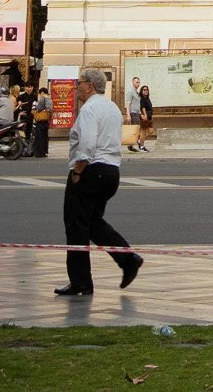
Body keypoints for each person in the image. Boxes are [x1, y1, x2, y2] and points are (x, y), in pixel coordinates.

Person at [57, 67, 142, 296]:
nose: (77, 88)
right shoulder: (112, 107)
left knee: (75, 226)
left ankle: (81, 281)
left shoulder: (89, 109)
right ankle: (128, 259)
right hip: (111, 171)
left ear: (90, 86)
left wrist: (77, 171)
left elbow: (87, 144)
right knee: (92, 222)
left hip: (91, 171)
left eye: (80, 83)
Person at [30, 84, 51, 160]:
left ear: (42, 92)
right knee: (45, 137)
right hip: (46, 120)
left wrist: (35, 110)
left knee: (39, 137)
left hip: (41, 120)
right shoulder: (49, 99)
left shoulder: (43, 98)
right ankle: (45, 151)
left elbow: (39, 108)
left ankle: (39, 152)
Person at [137, 82, 156, 150]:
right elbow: (143, 107)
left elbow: (150, 108)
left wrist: (152, 116)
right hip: (145, 116)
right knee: (143, 131)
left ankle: (139, 140)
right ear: (141, 91)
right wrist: (144, 115)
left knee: (151, 131)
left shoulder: (148, 98)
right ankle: (142, 146)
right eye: (144, 90)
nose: (146, 91)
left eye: (147, 90)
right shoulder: (142, 98)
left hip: (150, 116)